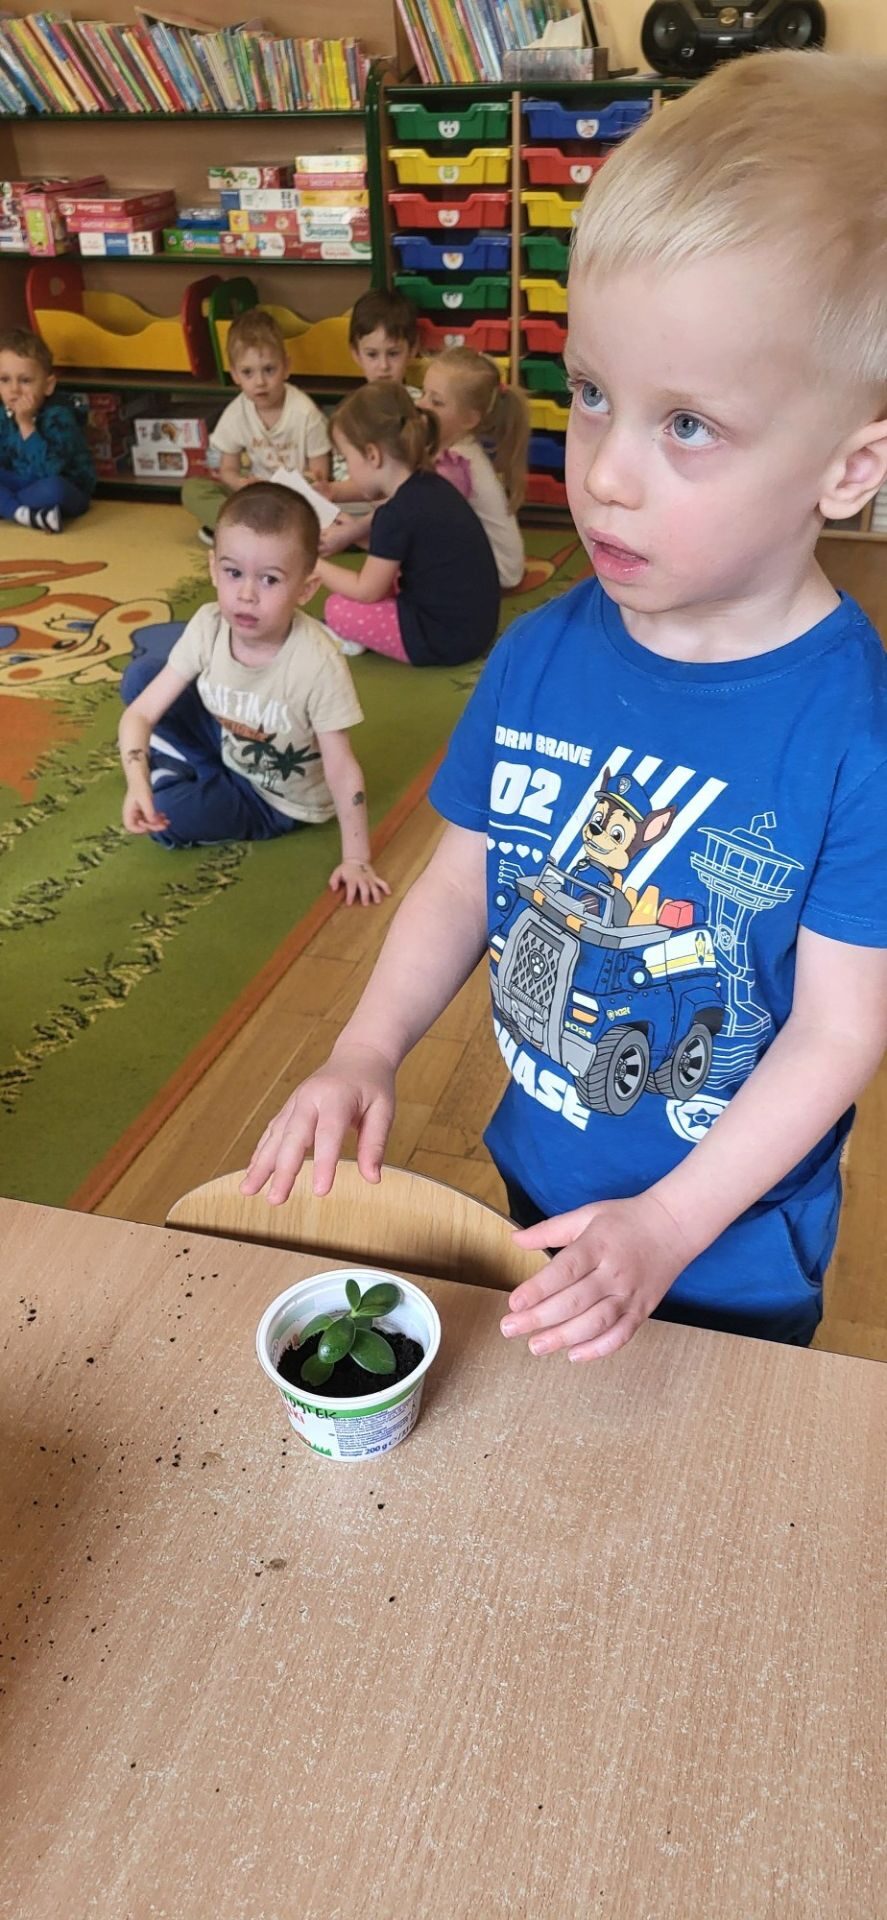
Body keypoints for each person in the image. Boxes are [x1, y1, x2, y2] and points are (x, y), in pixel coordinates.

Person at [240, 52, 887, 1358]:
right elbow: (459, 883)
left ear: (846, 468)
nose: (601, 477)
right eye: (591, 395)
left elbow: (835, 1029)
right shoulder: (538, 654)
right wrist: (366, 1047)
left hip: (725, 1247)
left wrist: (667, 1223)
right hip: (538, 1179)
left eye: (685, 424)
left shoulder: (849, 733)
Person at [118, 482, 389, 906]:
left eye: (269, 579)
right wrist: (136, 783)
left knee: (169, 818)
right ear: (213, 568)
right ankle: (185, 770)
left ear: (305, 589)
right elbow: (140, 712)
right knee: (142, 677)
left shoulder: (317, 663)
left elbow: (341, 767)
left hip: (273, 799)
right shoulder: (209, 624)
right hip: (230, 739)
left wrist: (357, 859)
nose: (246, 594)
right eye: (233, 573)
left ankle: (179, 770)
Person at [318, 382, 500, 666]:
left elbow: (367, 590)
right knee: (385, 578)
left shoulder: (396, 513)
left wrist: (313, 565)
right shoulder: (430, 484)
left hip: (443, 641)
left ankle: (355, 635)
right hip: (476, 628)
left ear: (372, 455)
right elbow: (402, 549)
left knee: (337, 608)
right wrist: (353, 534)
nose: (348, 470)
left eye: (346, 459)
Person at [181, 309, 331, 544]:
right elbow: (227, 470)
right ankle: (250, 532)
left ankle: (244, 532)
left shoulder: (306, 413)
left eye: (269, 370)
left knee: (328, 500)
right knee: (193, 490)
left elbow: (321, 475)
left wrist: (294, 485)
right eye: (248, 372)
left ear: (286, 367)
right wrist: (241, 483)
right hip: (256, 496)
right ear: (235, 375)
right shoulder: (236, 412)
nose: (260, 382)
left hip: (295, 498)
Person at [320, 287, 421, 557]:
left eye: (393, 353)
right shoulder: (349, 414)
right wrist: (330, 491)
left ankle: (360, 537)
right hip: (357, 503)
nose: (383, 366)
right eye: (372, 355)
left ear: (412, 349)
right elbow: (344, 477)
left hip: (403, 504)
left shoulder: (420, 407)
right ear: (356, 353)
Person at [417, 348, 529, 590]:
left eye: (436, 402)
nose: (421, 405)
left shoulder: (457, 462)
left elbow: (421, 514)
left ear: (469, 420)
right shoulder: (452, 446)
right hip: (491, 561)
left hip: (496, 570)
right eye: (423, 393)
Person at [0, 327, 95, 532]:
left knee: (54, 489)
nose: (14, 389)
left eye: (25, 381)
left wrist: (26, 424)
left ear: (48, 385)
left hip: (62, 488)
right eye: (5, 380)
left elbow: (47, 471)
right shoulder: (3, 415)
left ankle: (11, 509)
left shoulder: (60, 417)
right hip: (22, 484)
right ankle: (26, 514)